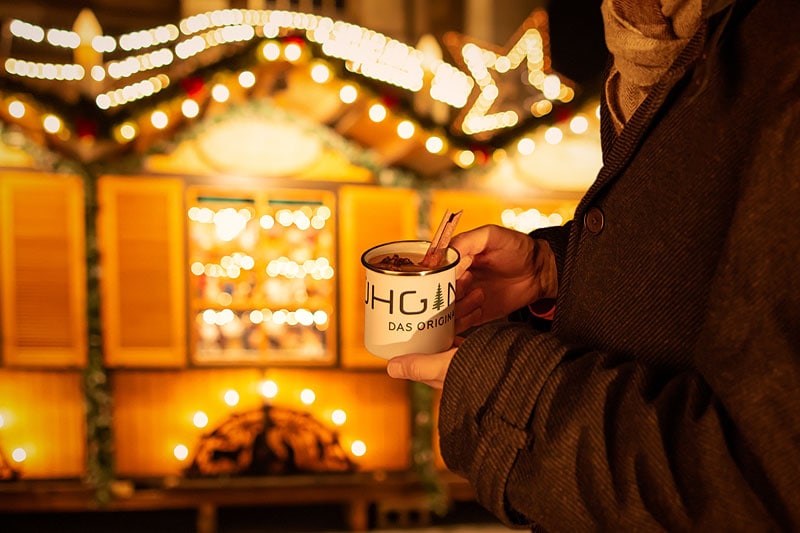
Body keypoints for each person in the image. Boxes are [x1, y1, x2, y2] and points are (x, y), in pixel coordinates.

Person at [386, 0, 800, 530]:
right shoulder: (666, 42)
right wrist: (558, 269)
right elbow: (711, 251)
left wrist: (500, 384)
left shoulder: (776, 50)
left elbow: (760, 485)